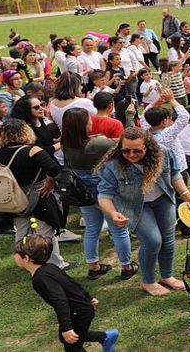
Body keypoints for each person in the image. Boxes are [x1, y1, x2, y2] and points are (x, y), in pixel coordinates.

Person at [97, 126, 190, 296]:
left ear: (148, 147)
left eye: (137, 151)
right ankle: (148, 281)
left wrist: (186, 195)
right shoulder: (113, 165)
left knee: (168, 240)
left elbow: (174, 174)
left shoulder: (163, 152)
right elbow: (104, 195)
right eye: (126, 150)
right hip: (133, 206)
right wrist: (113, 213)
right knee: (152, 241)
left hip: (163, 200)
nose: (131, 155)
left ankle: (167, 276)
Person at [61, 108, 136, 281]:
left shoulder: (68, 145)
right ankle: (126, 266)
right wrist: (130, 116)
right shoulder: (98, 145)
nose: (91, 122)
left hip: (85, 195)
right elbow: (129, 139)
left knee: (92, 230)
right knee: (119, 230)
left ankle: (93, 267)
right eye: (88, 120)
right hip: (107, 195)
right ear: (82, 126)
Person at [14, 235, 119, 352]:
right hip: (80, 309)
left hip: (79, 313)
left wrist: (66, 327)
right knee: (68, 338)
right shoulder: (49, 267)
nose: (14, 255)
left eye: (16, 253)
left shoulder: (41, 278)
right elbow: (71, 282)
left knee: (72, 346)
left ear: (26, 258)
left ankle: (105, 337)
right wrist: (87, 297)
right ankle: (105, 337)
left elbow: (60, 301)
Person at [0, 118, 70, 269]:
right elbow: (53, 168)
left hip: (15, 196)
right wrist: (49, 183)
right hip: (39, 194)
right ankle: (56, 263)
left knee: (21, 231)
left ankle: (24, 262)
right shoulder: (32, 150)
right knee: (46, 231)